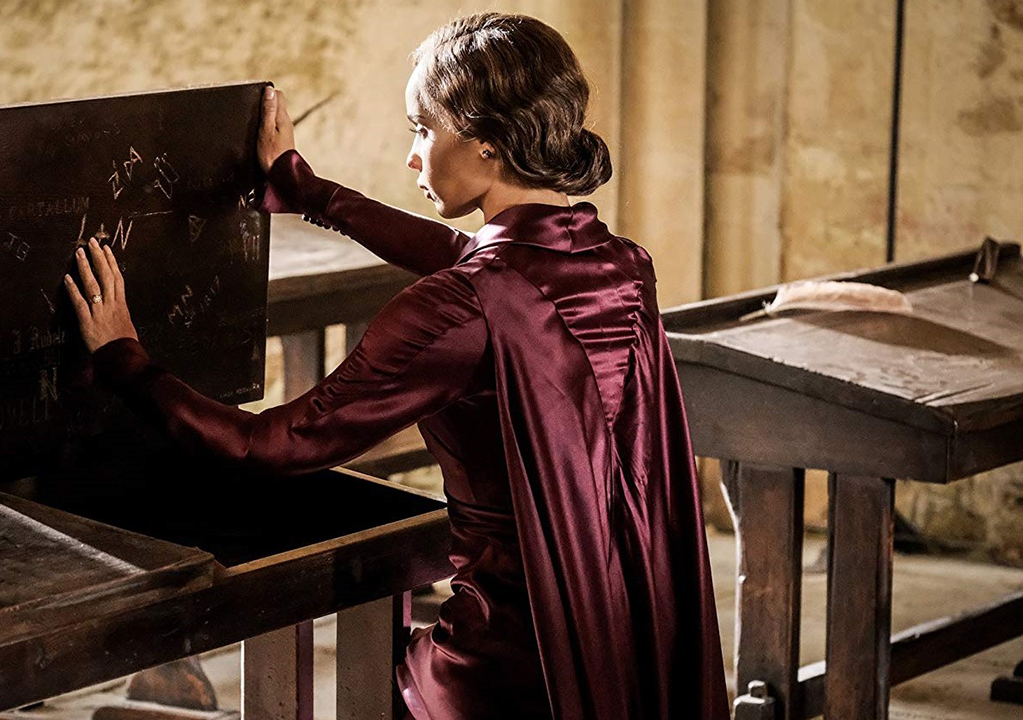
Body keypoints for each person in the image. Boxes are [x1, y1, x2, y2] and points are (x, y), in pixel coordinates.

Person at [64, 12, 728, 720]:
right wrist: (307, 190)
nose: (413, 156)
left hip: (510, 660)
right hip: (630, 632)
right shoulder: (621, 266)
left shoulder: (457, 307)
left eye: (422, 129)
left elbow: (270, 446)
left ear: (486, 142)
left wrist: (124, 357)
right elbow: (469, 257)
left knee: (387, 682)